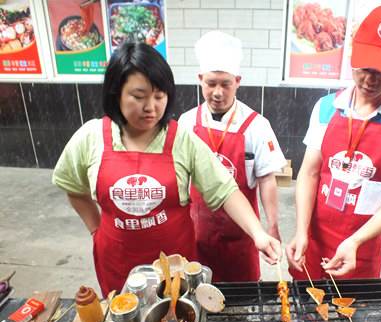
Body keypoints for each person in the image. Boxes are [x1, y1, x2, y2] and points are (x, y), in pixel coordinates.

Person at [52, 42, 281, 296]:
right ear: (116, 93)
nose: (151, 107)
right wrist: (96, 229)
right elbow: (73, 187)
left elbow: (226, 190)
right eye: (139, 97)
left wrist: (259, 233)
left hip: (176, 265)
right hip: (117, 262)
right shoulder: (91, 136)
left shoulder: (181, 138)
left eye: (159, 96)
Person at [287, 4, 381, 279]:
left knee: (353, 316)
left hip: (362, 245)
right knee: (304, 311)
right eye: (364, 67)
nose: (369, 79)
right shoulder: (326, 107)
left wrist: (355, 241)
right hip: (314, 237)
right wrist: (300, 230)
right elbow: (309, 172)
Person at [178, 31, 287, 282]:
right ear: (200, 80)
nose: (217, 92)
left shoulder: (256, 125)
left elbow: (266, 180)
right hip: (198, 231)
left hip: (242, 233)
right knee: (199, 292)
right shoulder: (187, 123)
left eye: (225, 84)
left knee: (244, 296)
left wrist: (272, 225)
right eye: (210, 83)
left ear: (237, 81)